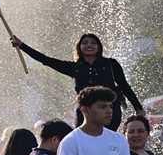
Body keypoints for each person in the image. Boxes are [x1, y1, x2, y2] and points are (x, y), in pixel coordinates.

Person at [11, 34, 144, 131]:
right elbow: (46, 60)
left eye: (93, 43)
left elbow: (124, 86)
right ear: (79, 48)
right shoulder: (75, 68)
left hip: (110, 110)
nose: (89, 45)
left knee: (107, 138)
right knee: (84, 140)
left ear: (99, 47)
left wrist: (138, 108)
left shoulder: (111, 64)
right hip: (85, 112)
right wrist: (22, 46)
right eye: (85, 43)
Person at [56, 86, 134, 155]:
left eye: (110, 106)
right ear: (85, 109)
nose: (109, 111)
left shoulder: (119, 139)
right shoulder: (70, 142)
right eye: (102, 107)